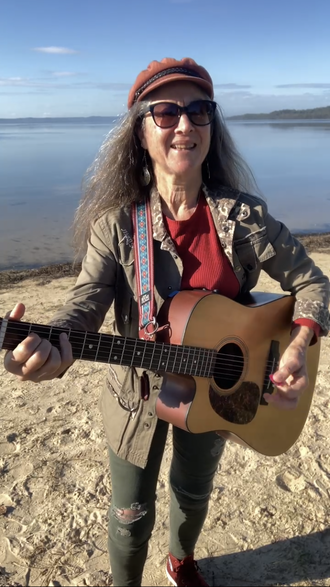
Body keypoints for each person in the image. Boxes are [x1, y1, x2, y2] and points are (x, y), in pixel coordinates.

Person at [3, 57, 329, 587]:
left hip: (222, 392)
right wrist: (54, 341)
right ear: (140, 131)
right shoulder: (116, 227)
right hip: (136, 392)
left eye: (200, 111)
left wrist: (298, 343)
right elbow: (85, 300)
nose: (185, 124)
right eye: (166, 112)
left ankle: (182, 561)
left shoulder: (244, 219)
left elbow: (314, 283)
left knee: (193, 491)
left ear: (212, 125)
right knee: (129, 515)